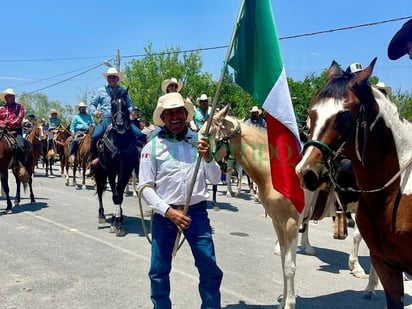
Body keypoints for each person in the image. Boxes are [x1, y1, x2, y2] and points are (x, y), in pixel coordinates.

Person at [138, 92, 223, 309]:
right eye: (169, 113)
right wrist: (169, 211)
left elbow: (214, 179)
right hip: (165, 216)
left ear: (186, 114)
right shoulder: (152, 147)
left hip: (196, 214)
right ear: (163, 118)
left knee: (209, 267)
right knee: (158, 271)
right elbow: (145, 188)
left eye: (178, 112)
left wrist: (209, 158)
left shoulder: (200, 143)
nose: (174, 116)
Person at [87, 67, 144, 176]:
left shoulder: (123, 90)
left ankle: (137, 161)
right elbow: (92, 105)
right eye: (110, 77)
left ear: (118, 79)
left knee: (140, 135)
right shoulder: (101, 91)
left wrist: (130, 112)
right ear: (107, 79)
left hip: (123, 120)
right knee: (95, 136)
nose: (112, 79)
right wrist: (95, 112)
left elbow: (130, 105)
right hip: (107, 119)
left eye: (114, 77)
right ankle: (93, 163)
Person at [0, 88, 29, 163]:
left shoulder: (20, 107)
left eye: (12, 96)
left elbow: (19, 118)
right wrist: (2, 124)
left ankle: (21, 164)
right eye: (9, 96)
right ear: (5, 97)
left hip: (16, 130)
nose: (11, 97)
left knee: (21, 145)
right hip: (2, 130)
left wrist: (8, 123)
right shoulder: (1, 108)